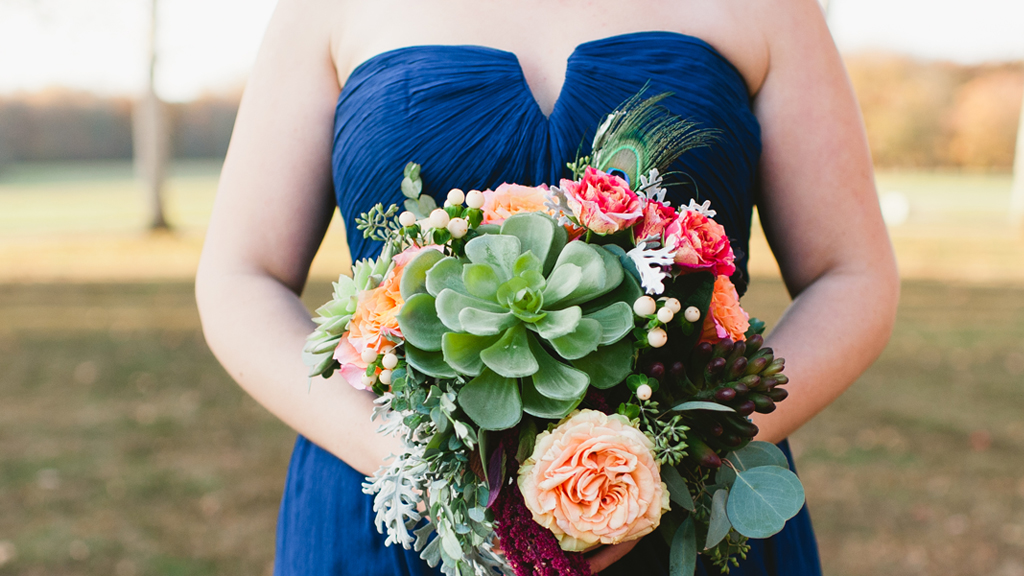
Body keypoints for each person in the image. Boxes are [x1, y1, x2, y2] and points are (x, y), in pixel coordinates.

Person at [195, 0, 900, 574]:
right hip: (394, 510)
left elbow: (852, 275)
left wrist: (669, 457)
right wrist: (430, 469)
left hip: (686, 513)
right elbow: (240, 276)